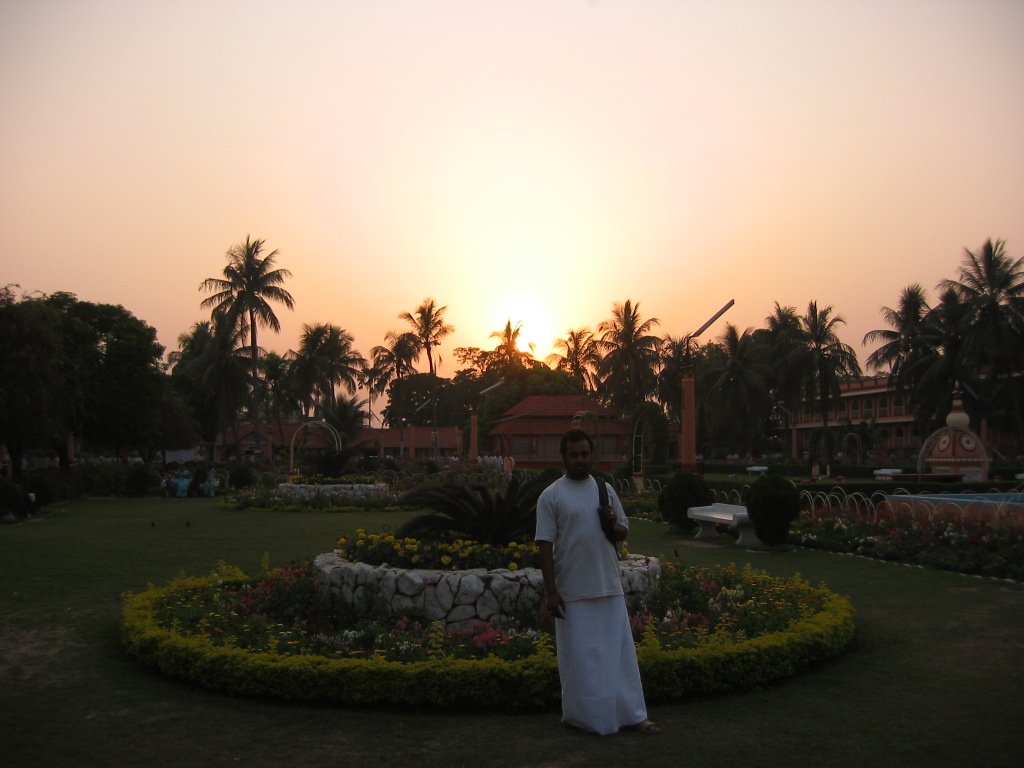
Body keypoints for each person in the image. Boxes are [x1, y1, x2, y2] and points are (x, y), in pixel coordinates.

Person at [535, 427, 659, 736]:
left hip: (608, 585)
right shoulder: (551, 496)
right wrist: (551, 593)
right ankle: (587, 718)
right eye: (574, 455)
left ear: (593, 456)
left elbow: (623, 531)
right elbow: (544, 546)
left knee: (620, 657)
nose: (580, 460)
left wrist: (612, 523)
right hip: (572, 592)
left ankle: (635, 715)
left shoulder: (605, 490)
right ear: (563, 457)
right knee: (581, 661)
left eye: (585, 454)